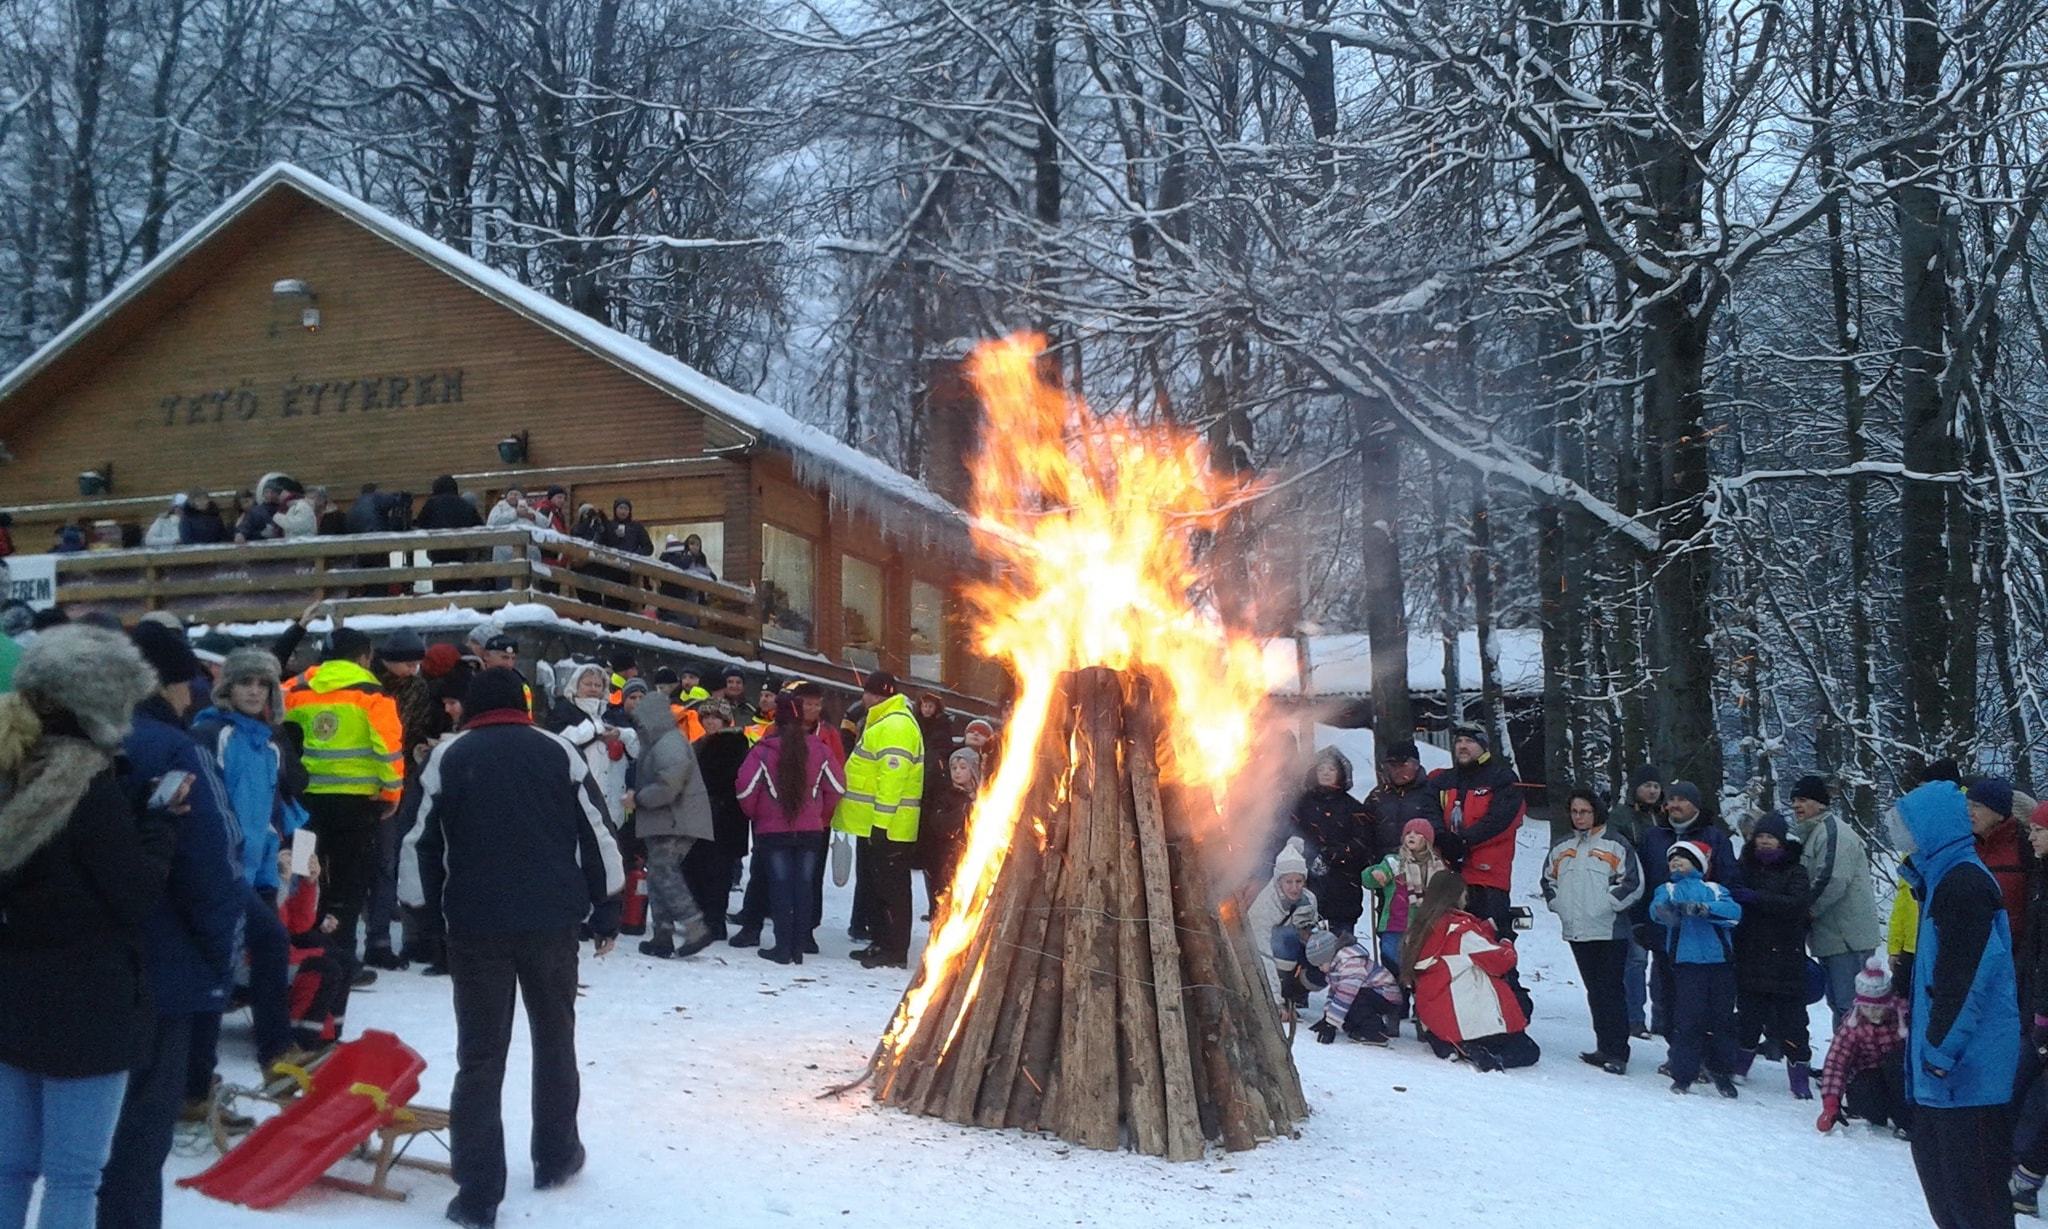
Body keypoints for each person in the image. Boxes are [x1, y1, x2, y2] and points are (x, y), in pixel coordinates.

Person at [399, 667, 624, 1229]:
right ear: (524, 705)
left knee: (479, 1057)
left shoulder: (448, 758)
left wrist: (421, 919)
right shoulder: (559, 752)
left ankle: (477, 1193)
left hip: (475, 928)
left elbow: (418, 843)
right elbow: (598, 833)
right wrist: (607, 905)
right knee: (555, 1041)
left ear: (471, 708)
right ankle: (556, 1157)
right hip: (552, 924)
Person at [0, 627, 171, 1229]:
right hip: (87, 1007)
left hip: (12, 998)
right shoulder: (86, 785)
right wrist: (157, 828)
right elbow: (132, 895)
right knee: (74, 1178)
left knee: (9, 1169)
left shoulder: (13, 767)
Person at [103, 622, 247, 1229]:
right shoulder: (172, 747)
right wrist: (219, 959)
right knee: (139, 1140)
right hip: (161, 968)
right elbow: (212, 862)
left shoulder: (68, 739)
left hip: (69, 965)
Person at [1893, 780, 2022, 1229]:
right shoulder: (1939, 880)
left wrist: (1941, 1053)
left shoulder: (1964, 884)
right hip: (1942, 1076)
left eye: (1906, 826)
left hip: (1968, 1073)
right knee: (1949, 1200)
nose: (1900, 836)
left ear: (1932, 827)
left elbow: (1967, 982)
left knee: (1977, 1203)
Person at [188, 649, 305, 1087]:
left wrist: (272, 873)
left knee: (258, 950)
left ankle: (216, 1074)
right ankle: (268, 1053)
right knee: (234, 960)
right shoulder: (212, 734)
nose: (255, 691)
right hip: (218, 871)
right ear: (227, 688)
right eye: (245, 682)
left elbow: (272, 816)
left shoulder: (270, 744)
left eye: (263, 683)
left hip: (253, 873)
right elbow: (208, 808)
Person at [284, 628, 403, 967]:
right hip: (356, 807)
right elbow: (388, 750)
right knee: (350, 884)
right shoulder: (371, 694)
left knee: (303, 877)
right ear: (364, 657)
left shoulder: (295, 689)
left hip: (304, 806)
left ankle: (303, 955)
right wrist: (391, 794)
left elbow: (278, 727)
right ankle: (342, 959)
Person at [734, 693, 846, 965]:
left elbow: (745, 789)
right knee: (804, 886)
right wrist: (818, 813)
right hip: (810, 830)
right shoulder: (819, 749)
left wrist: (758, 815)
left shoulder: (763, 750)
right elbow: (838, 787)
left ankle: (782, 947)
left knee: (780, 885)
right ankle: (799, 946)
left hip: (773, 831)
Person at [1540, 788, 1643, 1075]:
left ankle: (1618, 1051)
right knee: (1595, 991)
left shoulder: (1616, 844)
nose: (1579, 816)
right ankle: (1603, 1046)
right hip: (1577, 930)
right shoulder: (1562, 846)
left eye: (1584, 811)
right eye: (1574, 811)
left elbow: (1633, 883)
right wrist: (1558, 904)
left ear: (1596, 811)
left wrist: (1608, 904)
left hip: (1610, 931)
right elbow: (1548, 879)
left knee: (1611, 991)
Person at [1401, 870, 1538, 1070]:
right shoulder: (1461, 930)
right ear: (1457, 895)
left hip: (1433, 1015)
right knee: (1527, 1051)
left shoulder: (1419, 929)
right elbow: (1501, 960)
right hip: (1461, 1015)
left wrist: (1490, 926)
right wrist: (1507, 938)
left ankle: (1446, 1042)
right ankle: (1481, 1052)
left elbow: (1462, 946)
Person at [1636, 780, 1742, 1038]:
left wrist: (1708, 908)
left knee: (1703, 1000)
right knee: (1666, 994)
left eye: (1681, 800)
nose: (1674, 805)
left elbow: (1730, 883)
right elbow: (1644, 882)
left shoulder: (1714, 837)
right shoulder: (1653, 836)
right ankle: (1678, 1054)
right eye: (1671, 799)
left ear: (1695, 805)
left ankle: (1708, 1055)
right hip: (1666, 933)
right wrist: (1641, 921)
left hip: (1706, 938)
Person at [834, 671, 925, 969]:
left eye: (866, 693)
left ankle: (894, 950)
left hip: (889, 827)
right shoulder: (887, 721)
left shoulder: (895, 724)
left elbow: (892, 778)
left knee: (891, 890)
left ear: (873, 695)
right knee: (877, 887)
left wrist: (881, 825)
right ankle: (881, 943)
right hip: (877, 824)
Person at [1786, 774, 1882, 1029]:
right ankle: (1843, 1064)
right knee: (1840, 1006)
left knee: (1852, 1007)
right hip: (1832, 937)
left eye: (1803, 799)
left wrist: (1805, 912)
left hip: (1847, 938)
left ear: (1820, 803)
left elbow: (1832, 879)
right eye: (1794, 800)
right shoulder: (1815, 833)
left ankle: (1860, 1066)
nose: (1796, 805)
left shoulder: (1832, 832)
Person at [1729, 813, 1814, 1098]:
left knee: (1793, 1021)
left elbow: (1796, 904)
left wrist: (1757, 899)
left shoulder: (1796, 870)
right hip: (1751, 952)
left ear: (1781, 840)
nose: (1764, 842)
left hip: (1786, 956)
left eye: (1770, 837)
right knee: (1749, 1016)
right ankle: (1740, 1065)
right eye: (1760, 837)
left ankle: (1799, 1075)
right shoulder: (1745, 867)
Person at [627, 695, 717, 960]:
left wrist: (639, 798)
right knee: (657, 874)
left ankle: (694, 927)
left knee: (665, 873)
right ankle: (662, 934)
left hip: (675, 820)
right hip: (668, 820)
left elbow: (670, 784)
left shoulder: (668, 742)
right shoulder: (663, 740)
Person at [1651, 840, 1742, 1096]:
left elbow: (1734, 913)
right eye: (1672, 859)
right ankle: (1683, 1074)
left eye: (1683, 858)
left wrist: (1705, 909)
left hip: (1719, 964)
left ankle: (1722, 1072)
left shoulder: (1714, 889)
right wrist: (1666, 912)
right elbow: (1656, 910)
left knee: (1722, 1019)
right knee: (1688, 1020)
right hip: (1686, 964)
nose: (1676, 862)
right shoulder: (1667, 889)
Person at [1426, 724, 1524, 943]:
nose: (1462, 746)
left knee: (1492, 942)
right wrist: (1442, 837)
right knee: (1449, 942)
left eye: (1469, 741)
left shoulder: (1502, 777)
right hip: (1447, 874)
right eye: (1459, 741)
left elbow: (1502, 820)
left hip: (1488, 877)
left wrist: (1463, 841)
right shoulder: (1442, 780)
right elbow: (1428, 810)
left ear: (1483, 746)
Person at [1816, 955, 1911, 1138]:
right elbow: (1836, 1063)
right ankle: (1873, 1110)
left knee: (1895, 1064)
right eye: (1867, 1007)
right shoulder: (1853, 1025)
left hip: (1900, 1077)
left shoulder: (1903, 1018)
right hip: (1869, 1078)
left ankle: (1907, 1120)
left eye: (1878, 1007)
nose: (1873, 1012)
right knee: (1866, 1097)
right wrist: (1831, 1103)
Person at [1288, 748, 1372, 939]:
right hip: (1306, 886)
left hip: (1343, 890)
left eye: (1331, 769)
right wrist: (1307, 856)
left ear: (1341, 773)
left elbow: (1362, 843)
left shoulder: (1354, 809)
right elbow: (1291, 834)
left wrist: (1334, 855)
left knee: (1341, 948)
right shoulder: (1302, 805)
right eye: (1321, 768)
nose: (1326, 773)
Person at [689, 701, 752, 942]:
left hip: (722, 817)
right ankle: (705, 919)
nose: (711, 722)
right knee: (704, 869)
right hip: (707, 816)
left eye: (716, 718)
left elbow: (720, 780)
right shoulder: (701, 744)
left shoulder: (732, 744)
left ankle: (713, 922)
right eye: (707, 717)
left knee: (717, 872)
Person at [277, 851, 352, 1051]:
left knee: (345, 962)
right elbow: (267, 930)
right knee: (324, 968)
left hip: (280, 945)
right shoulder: (255, 870)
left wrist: (309, 883)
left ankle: (330, 1037)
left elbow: (298, 925)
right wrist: (279, 884)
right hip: (253, 956)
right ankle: (299, 1041)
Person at [1610, 765, 1663, 1038]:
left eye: (1656, 786)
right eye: (1647, 786)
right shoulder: (1622, 817)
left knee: (1662, 961)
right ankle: (1634, 1017)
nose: (1652, 791)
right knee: (1636, 959)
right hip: (1633, 894)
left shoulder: (1665, 817)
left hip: (1661, 895)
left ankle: (1662, 1018)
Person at [546, 662, 635, 823]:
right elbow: (558, 742)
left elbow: (636, 749)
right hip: (577, 798)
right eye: (588, 684)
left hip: (612, 803)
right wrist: (594, 729)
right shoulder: (564, 711)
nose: (593, 689)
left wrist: (621, 734)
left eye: (598, 685)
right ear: (576, 685)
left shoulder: (610, 713)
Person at [1363, 817, 1447, 979]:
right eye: (1408, 832)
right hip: (1393, 926)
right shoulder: (1394, 862)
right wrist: (1374, 874)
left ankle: (1418, 998)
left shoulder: (1436, 867)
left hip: (1423, 929)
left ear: (1428, 840)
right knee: (1392, 969)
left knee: (1420, 970)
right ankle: (1395, 1000)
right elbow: (1369, 879)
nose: (1411, 836)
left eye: (1418, 833)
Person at [1248, 839, 1321, 1009]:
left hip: (1296, 954)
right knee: (1286, 941)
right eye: (1289, 882)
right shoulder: (1264, 907)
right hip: (1270, 955)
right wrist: (1276, 1001)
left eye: (1299, 881)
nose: (1295, 888)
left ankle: (1298, 994)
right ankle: (1282, 995)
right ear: (1279, 881)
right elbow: (1263, 955)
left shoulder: (1309, 900)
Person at [1305, 930, 1403, 1045]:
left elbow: (1345, 996)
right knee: (1346, 1011)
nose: (1320, 969)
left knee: (1354, 1000)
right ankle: (1357, 1026)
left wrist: (1331, 1024)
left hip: (1385, 995)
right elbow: (1334, 993)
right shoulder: (1335, 968)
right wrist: (1327, 1018)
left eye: (1321, 964)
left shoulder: (1350, 962)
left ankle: (1375, 1032)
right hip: (1369, 993)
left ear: (1330, 956)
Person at [1969, 777, 2031, 941]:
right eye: (1967, 805)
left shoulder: (2027, 846)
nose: (1970, 812)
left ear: (1999, 813)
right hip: (1971, 952)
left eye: (1977, 806)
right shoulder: (1964, 846)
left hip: (2015, 952)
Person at [919, 748, 978, 918]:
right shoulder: (947, 796)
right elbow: (940, 823)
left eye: (962, 767)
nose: (957, 772)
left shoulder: (984, 795)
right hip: (947, 858)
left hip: (972, 856)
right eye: (954, 768)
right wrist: (964, 810)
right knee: (945, 900)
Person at [1362, 739, 1439, 866]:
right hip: (1384, 869)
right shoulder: (1377, 796)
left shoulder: (1431, 792)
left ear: (1416, 764)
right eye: (1392, 766)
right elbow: (1364, 831)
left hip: (1423, 867)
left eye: (1403, 765)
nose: (1397, 770)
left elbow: (1439, 828)